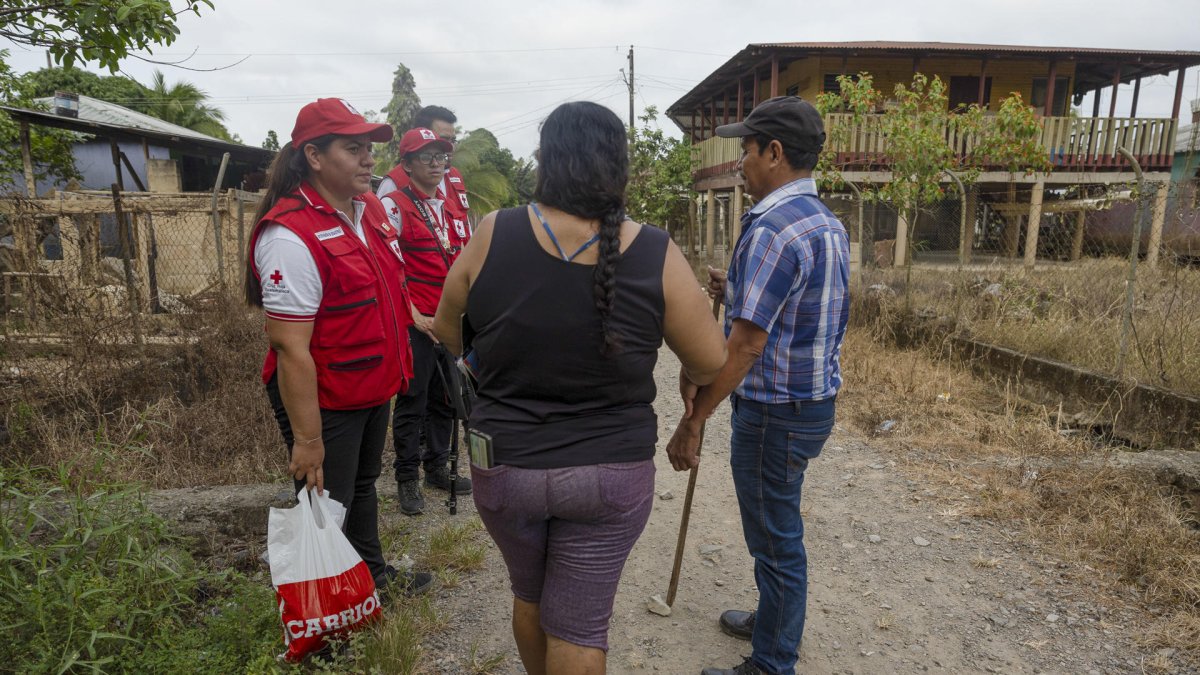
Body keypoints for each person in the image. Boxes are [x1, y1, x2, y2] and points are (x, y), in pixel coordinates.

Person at [433, 101, 727, 675]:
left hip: (507, 467)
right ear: (618, 168)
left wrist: (489, 357)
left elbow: (447, 330)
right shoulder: (653, 250)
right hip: (609, 475)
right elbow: (712, 359)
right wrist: (691, 374)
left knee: (530, 596)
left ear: (546, 162)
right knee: (579, 623)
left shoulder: (495, 231)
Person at [666, 96, 850, 675]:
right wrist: (737, 287)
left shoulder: (773, 228)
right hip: (810, 405)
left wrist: (696, 418)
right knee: (776, 526)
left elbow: (746, 345)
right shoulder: (824, 222)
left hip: (773, 413)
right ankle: (773, 619)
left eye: (746, 149)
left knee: (775, 537)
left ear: (774, 153)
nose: (739, 160)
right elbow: (796, 308)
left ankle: (772, 662)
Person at [246, 97, 433, 598]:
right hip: (325, 394)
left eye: (370, 147)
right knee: (325, 500)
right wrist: (308, 441)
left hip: (371, 384)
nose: (370, 159)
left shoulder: (368, 208)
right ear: (314, 156)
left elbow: (391, 288)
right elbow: (290, 349)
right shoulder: (289, 235)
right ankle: (324, 609)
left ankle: (371, 579)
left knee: (364, 484)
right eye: (354, 148)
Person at [380, 127, 472, 515]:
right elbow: (389, 268)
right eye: (425, 156)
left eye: (440, 156)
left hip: (450, 319)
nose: (436, 163)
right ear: (407, 164)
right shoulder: (394, 205)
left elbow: (463, 259)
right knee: (413, 400)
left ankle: (437, 466)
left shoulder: (451, 206)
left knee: (447, 398)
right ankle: (406, 478)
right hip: (416, 321)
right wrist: (413, 315)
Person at [377, 105, 471, 222]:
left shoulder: (455, 176)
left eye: (453, 140)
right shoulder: (394, 181)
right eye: (444, 140)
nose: (451, 147)